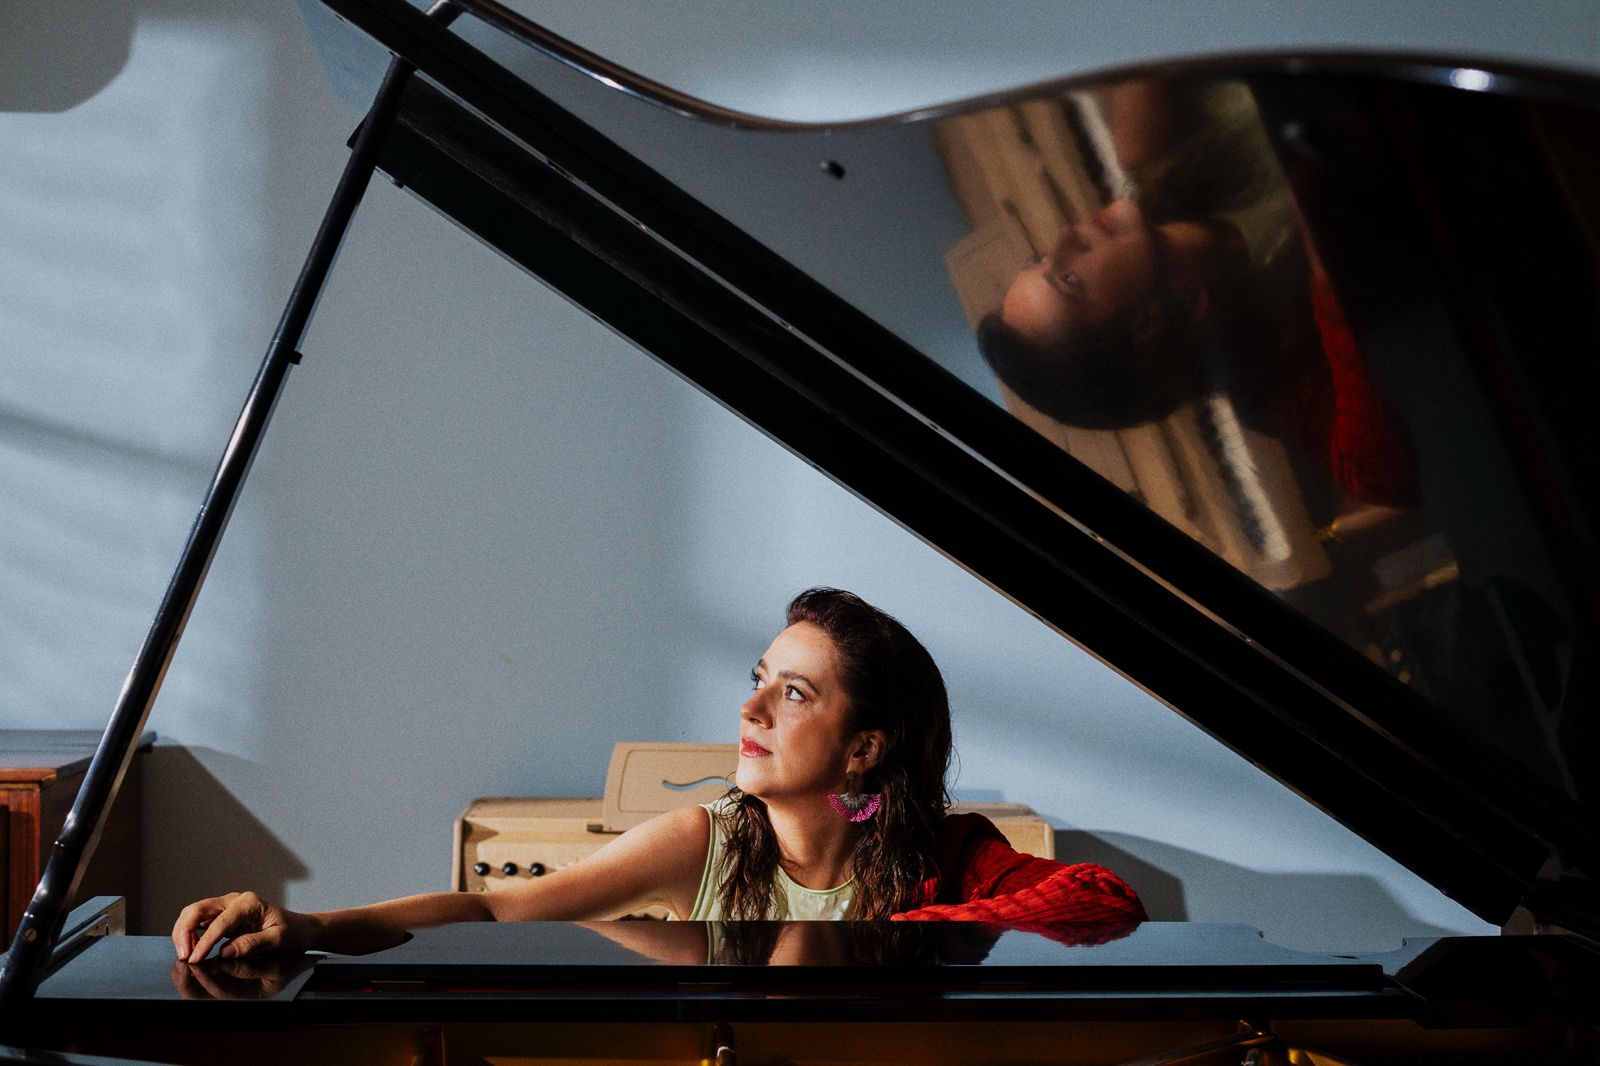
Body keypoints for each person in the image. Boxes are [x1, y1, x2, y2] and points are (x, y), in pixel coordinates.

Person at [172, 588, 1144, 963]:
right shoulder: (703, 842)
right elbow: (493, 910)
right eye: (757, 680)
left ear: (864, 748)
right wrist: (312, 926)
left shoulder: (948, 851)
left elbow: (1104, 901)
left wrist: (898, 930)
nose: (750, 711)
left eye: (794, 694)